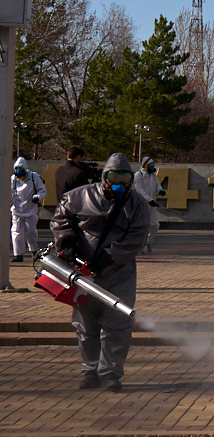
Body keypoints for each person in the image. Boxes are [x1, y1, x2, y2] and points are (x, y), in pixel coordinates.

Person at [50, 153, 153, 392]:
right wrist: (66, 242)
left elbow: (136, 238)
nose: (119, 184)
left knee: (117, 323)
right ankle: (90, 371)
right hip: (83, 271)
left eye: (124, 179)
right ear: (104, 177)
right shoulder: (79, 196)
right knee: (86, 324)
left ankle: (111, 373)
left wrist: (109, 257)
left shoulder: (137, 204)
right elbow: (60, 219)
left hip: (119, 272)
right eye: (113, 177)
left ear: (131, 180)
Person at [10, 157, 46, 263]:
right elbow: (10, 192)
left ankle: (34, 251)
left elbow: (42, 190)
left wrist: (38, 197)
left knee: (31, 231)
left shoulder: (34, 177)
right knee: (16, 232)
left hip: (31, 209)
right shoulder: (13, 179)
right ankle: (18, 254)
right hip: (17, 210)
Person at [133, 157, 165, 255]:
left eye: (153, 166)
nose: (152, 168)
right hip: (142, 204)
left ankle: (148, 242)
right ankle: (139, 245)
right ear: (145, 165)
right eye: (150, 166)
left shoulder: (152, 175)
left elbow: (157, 184)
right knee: (142, 225)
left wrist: (160, 190)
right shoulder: (138, 175)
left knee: (155, 225)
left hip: (152, 203)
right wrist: (148, 199)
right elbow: (139, 189)